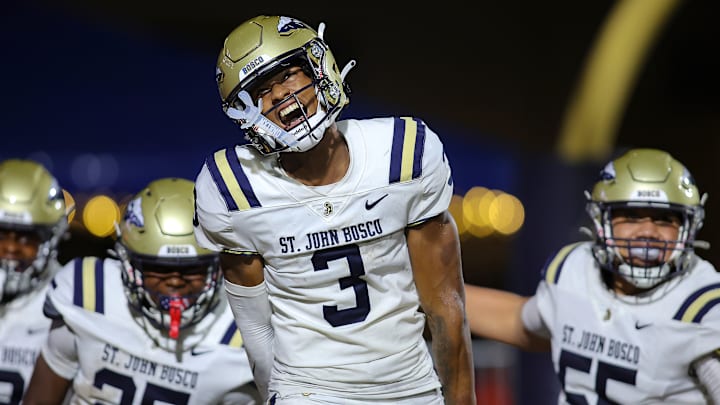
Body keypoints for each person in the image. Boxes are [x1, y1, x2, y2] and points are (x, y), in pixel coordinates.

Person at [193, 15, 476, 405]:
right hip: (308, 391)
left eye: (289, 74)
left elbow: (445, 307)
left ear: (320, 66)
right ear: (244, 112)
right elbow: (257, 331)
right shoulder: (233, 188)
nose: (279, 96)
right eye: (261, 90)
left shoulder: (402, 153)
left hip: (409, 386)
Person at [465, 148, 720, 403]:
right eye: (631, 216)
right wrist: (434, 294)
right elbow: (526, 324)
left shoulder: (702, 308)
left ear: (688, 228)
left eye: (665, 219)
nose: (648, 232)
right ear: (602, 221)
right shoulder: (575, 270)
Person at [23, 178, 260, 404]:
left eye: (192, 269)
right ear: (127, 262)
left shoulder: (242, 336)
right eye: (158, 268)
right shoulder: (88, 293)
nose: (174, 282)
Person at [0, 159, 71, 405]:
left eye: (25, 238)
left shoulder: (67, 305)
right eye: (1, 235)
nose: (10, 249)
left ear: (50, 240)